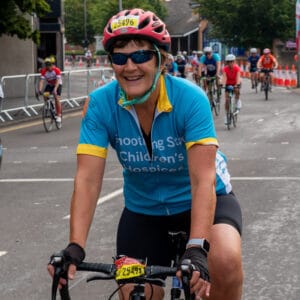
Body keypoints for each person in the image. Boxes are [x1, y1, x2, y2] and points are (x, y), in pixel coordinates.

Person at [47, 8, 243, 300]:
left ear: (161, 60)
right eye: (119, 57)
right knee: (134, 290)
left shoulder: (190, 99)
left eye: (141, 56)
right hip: (144, 212)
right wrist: (75, 246)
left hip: (201, 203)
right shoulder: (101, 104)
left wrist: (198, 246)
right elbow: (87, 179)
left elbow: (203, 180)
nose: (130, 66)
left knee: (224, 260)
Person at [38, 57, 62, 123]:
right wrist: (39, 90)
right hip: (50, 84)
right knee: (45, 95)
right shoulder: (44, 71)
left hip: (57, 84)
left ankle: (59, 115)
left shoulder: (56, 70)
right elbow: (41, 81)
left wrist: (55, 89)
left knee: (57, 98)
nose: (48, 67)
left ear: (52, 65)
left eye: (49, 65)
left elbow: (57, 81)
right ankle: (49, 106)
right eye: (47, 66)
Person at [222, 54, 242, 125]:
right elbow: (224, 78)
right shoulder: (225, 69)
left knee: (237, 90)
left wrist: (237, 84)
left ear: (234, 62)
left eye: (232, 62)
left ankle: (237, 101)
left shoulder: (237, 68)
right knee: (227, 100)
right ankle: (226, 115)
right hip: (228, 84)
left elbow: (238, 77)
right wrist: (223, 84)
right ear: (227, 63)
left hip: (235, 83)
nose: (230, 63)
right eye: (229, 62)